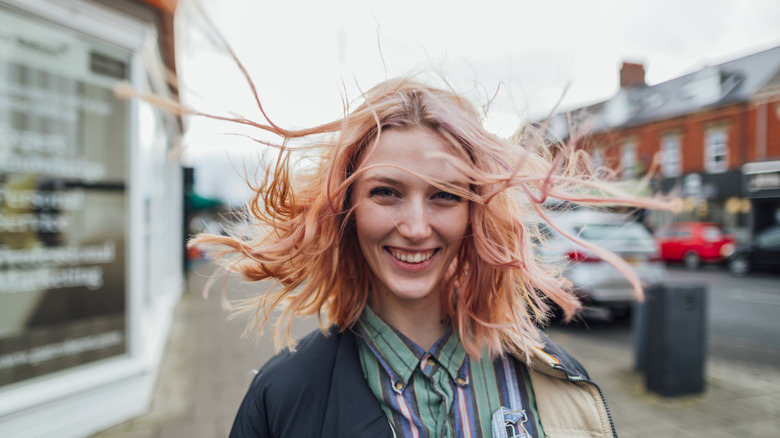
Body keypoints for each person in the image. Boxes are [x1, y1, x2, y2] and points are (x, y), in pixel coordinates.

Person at [183, 76, 670, 438]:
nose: (416, 228)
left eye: (444, 195)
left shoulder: (557, 382)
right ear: (347, 209)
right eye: (387, 192)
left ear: (474, 212)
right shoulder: (281, 399)